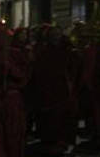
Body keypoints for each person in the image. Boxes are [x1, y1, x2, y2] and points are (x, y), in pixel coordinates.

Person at [31, 26, 80, 155]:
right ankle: (51, 140)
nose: (55, 37)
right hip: (49, 89)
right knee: (51, 117)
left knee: (63, 117)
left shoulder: (67, 50)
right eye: (53, 35)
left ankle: (63, 142)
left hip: (63, 89)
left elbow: (73, 69)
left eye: (57, 34)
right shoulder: (44, 51)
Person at [0, 24, 30, 157]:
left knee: (13, 132)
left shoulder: (14, 54)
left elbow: (24, 74)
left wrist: (11, 70)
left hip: (11, 98)